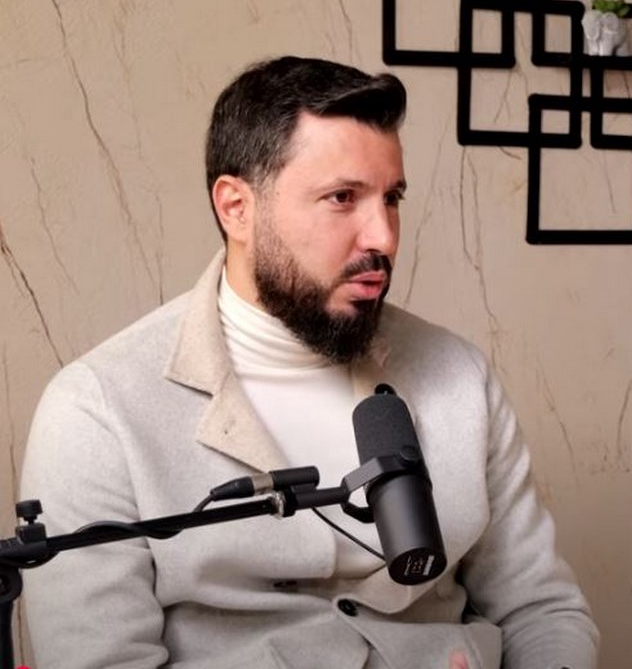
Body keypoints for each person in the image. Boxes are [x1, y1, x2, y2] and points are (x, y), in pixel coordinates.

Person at [19, 56, 598, 669]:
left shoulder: (460, 377)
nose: (383, 237)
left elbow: (542, 609)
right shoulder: (97, 411)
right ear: (236, 208)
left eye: (392, 198)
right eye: (342, 198)